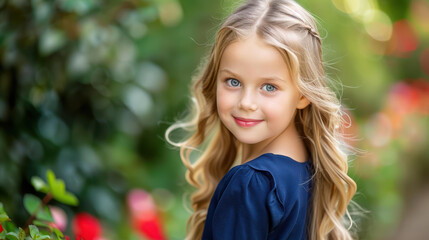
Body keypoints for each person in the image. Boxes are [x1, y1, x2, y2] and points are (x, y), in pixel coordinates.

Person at [166, 0, 357, 239]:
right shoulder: (307, 170)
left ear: (303, 94)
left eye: (269, 86)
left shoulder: (252, 183)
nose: (246, 102)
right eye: (233, 82)